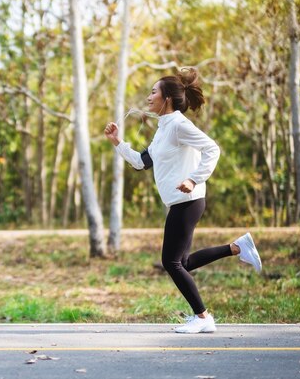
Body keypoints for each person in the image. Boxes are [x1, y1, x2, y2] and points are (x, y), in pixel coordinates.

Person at [104, 68, 262, 334]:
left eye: (153, 92)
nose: (148, 97)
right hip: (180, 202)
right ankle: (236, 247)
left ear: (167, 98)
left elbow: (213, 148)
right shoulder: (164, 128)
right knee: (182, 262)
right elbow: (143, 162)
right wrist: (117, 142)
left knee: (171, 262)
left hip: (187, 200)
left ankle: (203, 317)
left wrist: (194, 178)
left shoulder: (178, 124)